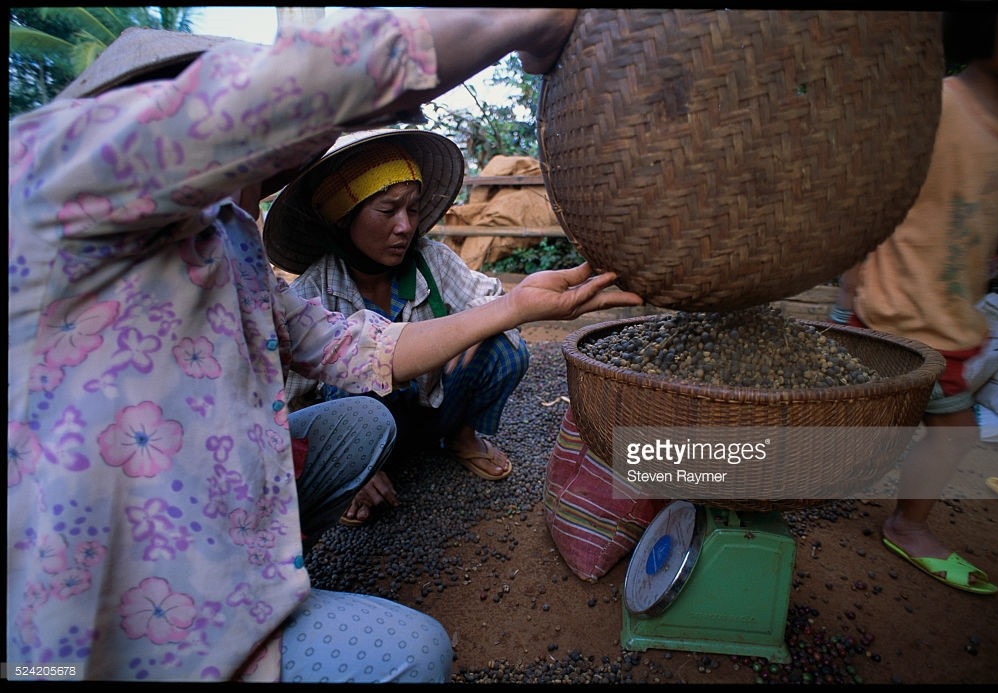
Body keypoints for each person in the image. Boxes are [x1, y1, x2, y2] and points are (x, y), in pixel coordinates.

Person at [7, 8, 644, 682]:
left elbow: (352, 345)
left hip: (217, 515)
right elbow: (299, 87)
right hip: (114, 621)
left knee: (378, 410)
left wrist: (516, 306)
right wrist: (516, 21)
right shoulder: (54, 178)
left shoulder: (230, 244)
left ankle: (284, 558)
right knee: (415, 652)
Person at [830, 11, 998, 595]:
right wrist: (849, 285)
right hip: (892, 318)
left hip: (952, 324)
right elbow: (870, 198)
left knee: (946, 433)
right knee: (854, 425)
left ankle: (905, 522)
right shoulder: (934, 107)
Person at [266, 129, 529, 526]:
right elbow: (289, 402)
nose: (405, 227)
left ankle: (460, 436)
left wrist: (478, 322)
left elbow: (488, 295)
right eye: (388, 211)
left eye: (413, 209)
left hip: (434, 406)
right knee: (343, 387)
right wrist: (339, 456)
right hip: (369, 420)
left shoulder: (431, 260)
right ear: (343, 220)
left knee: (507, 349)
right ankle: (362, 467)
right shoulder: (312, 292)